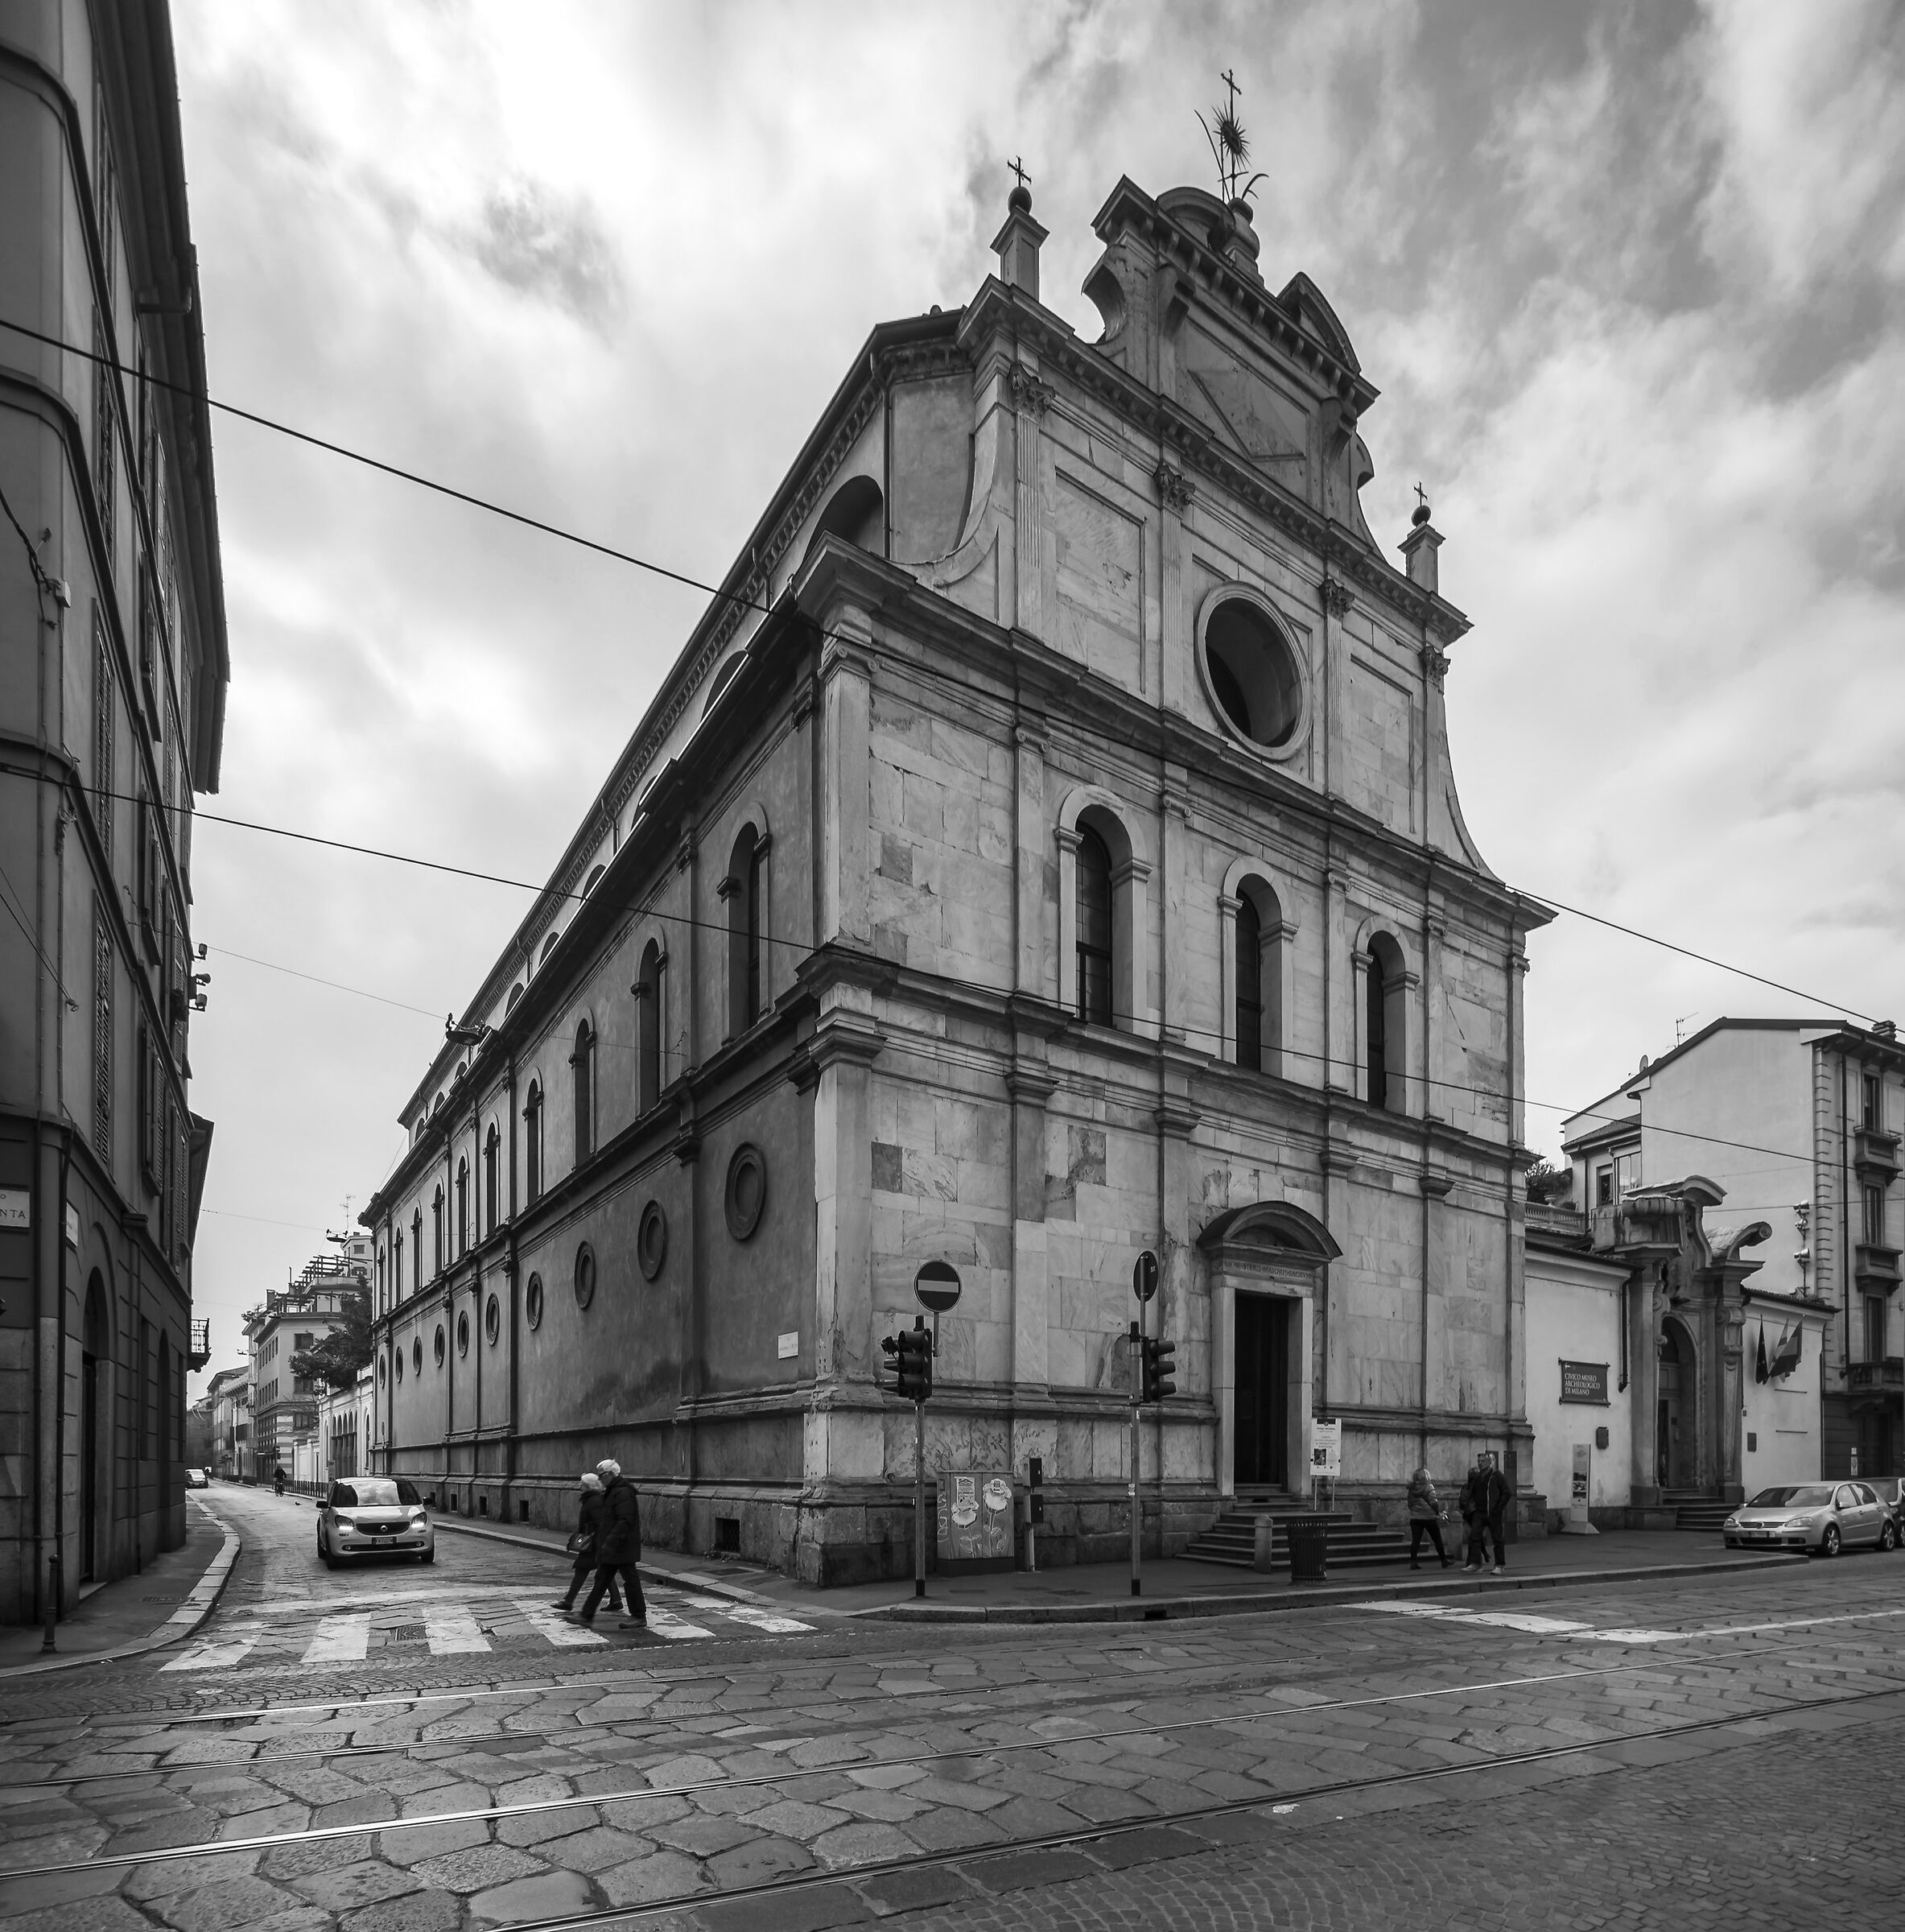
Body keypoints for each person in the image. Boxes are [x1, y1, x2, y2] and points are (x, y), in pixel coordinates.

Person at [574, 1459, 646, 1629]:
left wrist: (610, 1542)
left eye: (602, 1475)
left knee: (630, 1580)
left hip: (622, 1547)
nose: (600, 1479)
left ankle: (638, 1615)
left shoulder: (623, 1493)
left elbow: (624, 1521)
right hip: (614, 1546)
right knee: (601, 1580)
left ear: (612, 1474)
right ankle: (586, 1615)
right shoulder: (613, 1491)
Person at [550, 1473, 621, 1615]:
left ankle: (569, 1602)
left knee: (582, 1569)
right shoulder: (591, 1499)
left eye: (582, 1484)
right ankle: (616, 1600)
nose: (580, 1486)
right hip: (594, 1543)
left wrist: (594, 1540)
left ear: (589, 1486)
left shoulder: (594, 1501)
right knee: (604, 1572)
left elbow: (600, 1523)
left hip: (593, 1544)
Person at [1406, 1463, 1451, 1570]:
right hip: (1429, 1518)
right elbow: (1433, 1502)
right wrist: (1437, 1512)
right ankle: (1444, 1560)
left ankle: (1413, 1562)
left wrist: (1416, 1510)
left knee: (1415, 1541)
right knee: (1437, 1539)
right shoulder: (1429, 1487)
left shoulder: (1411, 1489)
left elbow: (1409, 1504)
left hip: (1415, 1518)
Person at [1479, 1451, 1512, 1575]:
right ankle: (1475, 1562)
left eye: (1484, 1461)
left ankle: (1500, 1565)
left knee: (1497, 1539)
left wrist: (1498, 1508)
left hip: (1494, 1513)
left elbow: (1507, 1492)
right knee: (1475, 1536)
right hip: (1482, 1513)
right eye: (1480, 1462)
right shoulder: (1481, 1476)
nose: (1481, 1464)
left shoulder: (1497, 1476)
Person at [1458, 1455, 1491, 1571]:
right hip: (1474, 1512)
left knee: (1476, 1536)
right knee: (1475, 1537)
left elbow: (1463, 1500)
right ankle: (1474, 1561)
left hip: (1471, 1513)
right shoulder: (1475, 1485)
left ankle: (1480, 1558)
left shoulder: (1467, 1486)